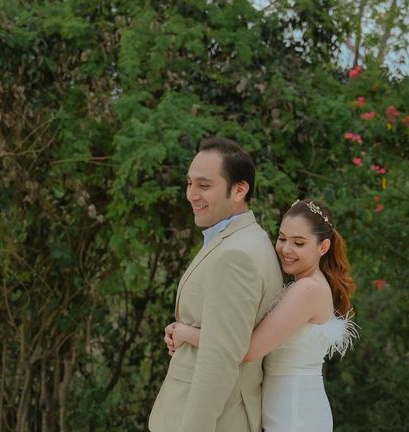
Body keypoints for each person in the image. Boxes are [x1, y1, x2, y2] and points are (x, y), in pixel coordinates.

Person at [170, 198, 358, 432]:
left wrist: (187, 333)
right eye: (282, 238)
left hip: (296, 416)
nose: (286, 249)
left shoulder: (307, 290)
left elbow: (247, 349)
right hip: (281, 410)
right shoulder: (301, 286)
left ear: (323, 247)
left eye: (299, 243)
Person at [149, 137, 283, 432]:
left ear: (239, 189)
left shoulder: (237, 254)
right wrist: (186, 330)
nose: (191, 195)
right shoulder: (244, 240)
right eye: (189, 183)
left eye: (204, 186)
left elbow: (220, 359)